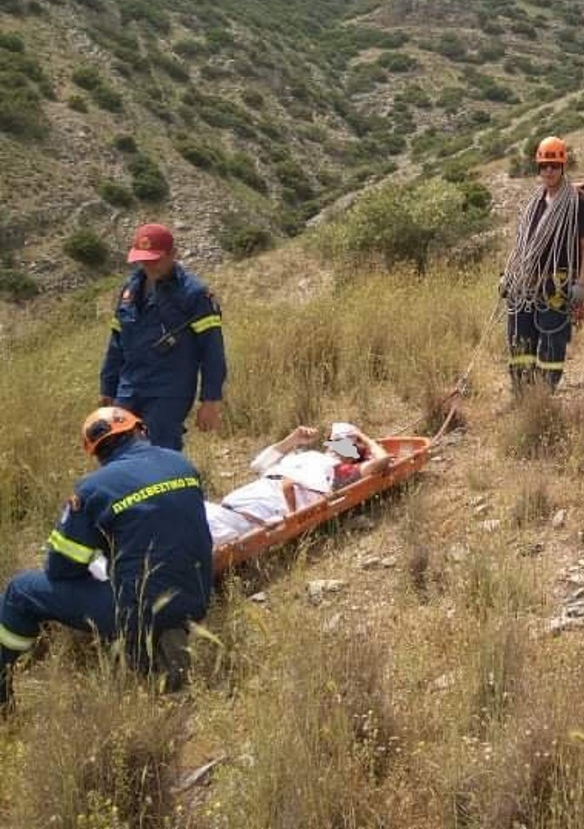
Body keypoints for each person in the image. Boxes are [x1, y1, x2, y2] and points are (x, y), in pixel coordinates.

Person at [0, 407, 213, 711]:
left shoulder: (93, 489)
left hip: (137, 613)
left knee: (20, 591)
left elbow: (61, 569)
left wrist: (99, 543)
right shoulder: (182, 464)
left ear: (97, 453)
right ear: (140, 431)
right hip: (197, 598)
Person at [100, 223, 227, 451]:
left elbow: (212, 351)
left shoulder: (194, 294)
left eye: (155, 260)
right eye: (143, 260)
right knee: (117, 445)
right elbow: (116, 343)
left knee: (160, 450)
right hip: (130, 385)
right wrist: (108, 388)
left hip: (169, 389)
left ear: (173, 255)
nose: (148, 266)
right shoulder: (130, 290)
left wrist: (210, 400)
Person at [500, 135, 584, 392]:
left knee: (552, 342)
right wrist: (509, 275)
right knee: (519, 340)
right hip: (526, 286)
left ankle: (543, 397)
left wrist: (582, 285)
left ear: (563, 166)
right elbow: (523, 243)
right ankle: (521, 395)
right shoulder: (535, 203)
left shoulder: (578, 203)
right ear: (538, 168)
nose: (549, 171)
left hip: (557, 287)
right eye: (544, 166)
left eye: (554, 165)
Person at [204, 422, 391, 547]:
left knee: (205, 532)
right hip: (242, 499)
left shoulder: (339, 471)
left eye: (344, 443)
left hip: (262, 510)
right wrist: (292, 440)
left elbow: (383, 461)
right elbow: (258, 465)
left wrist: (362, 436)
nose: (335, 447)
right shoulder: (301, 456)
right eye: (335, 442)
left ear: (355, 452)